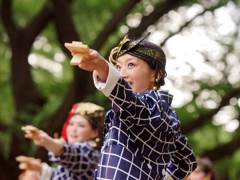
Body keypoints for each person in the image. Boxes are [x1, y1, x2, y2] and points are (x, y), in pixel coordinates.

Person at [73, 32, 197, 180]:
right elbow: (187, 161)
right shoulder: (150, 115)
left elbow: (131, 103)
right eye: (118, 67)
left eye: (131, 65)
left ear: (156, 75)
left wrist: (101, 66)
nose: (122, 73)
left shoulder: (155, 107)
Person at [16, 102, 105, 180]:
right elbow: (62, 176)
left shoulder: (90, 154)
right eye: (71, 124)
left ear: (94, 133)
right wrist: (39, 168)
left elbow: (69, 151)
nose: (73, 129)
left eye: (81, 125)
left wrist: (46, 140)